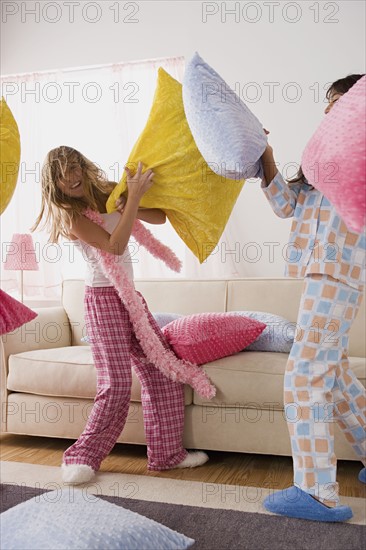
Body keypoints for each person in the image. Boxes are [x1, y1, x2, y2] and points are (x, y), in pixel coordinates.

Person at [33, 146, 208, 484]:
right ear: (53, 182)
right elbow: (114, 245)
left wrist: (134, 198)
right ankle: (81, 456)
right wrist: (131, 203)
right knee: (115, 384)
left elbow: (158, 217)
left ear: (82, 167)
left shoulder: (108, 192)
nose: (69, 177)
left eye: (73, 168)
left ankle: (167, 455)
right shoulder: (72, 216)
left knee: (162, 370)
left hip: (130, 297)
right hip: (102, 300)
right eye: (60, 174)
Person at [260, 74, 365, 521]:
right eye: (327, 103)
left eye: (338, 102)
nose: (328, 110)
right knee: (333, 373)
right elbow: (286, 206)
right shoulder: (320, 165)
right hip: (319, 274)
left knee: (304, 376)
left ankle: (316, 490)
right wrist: (265, 157)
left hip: (338, 272)